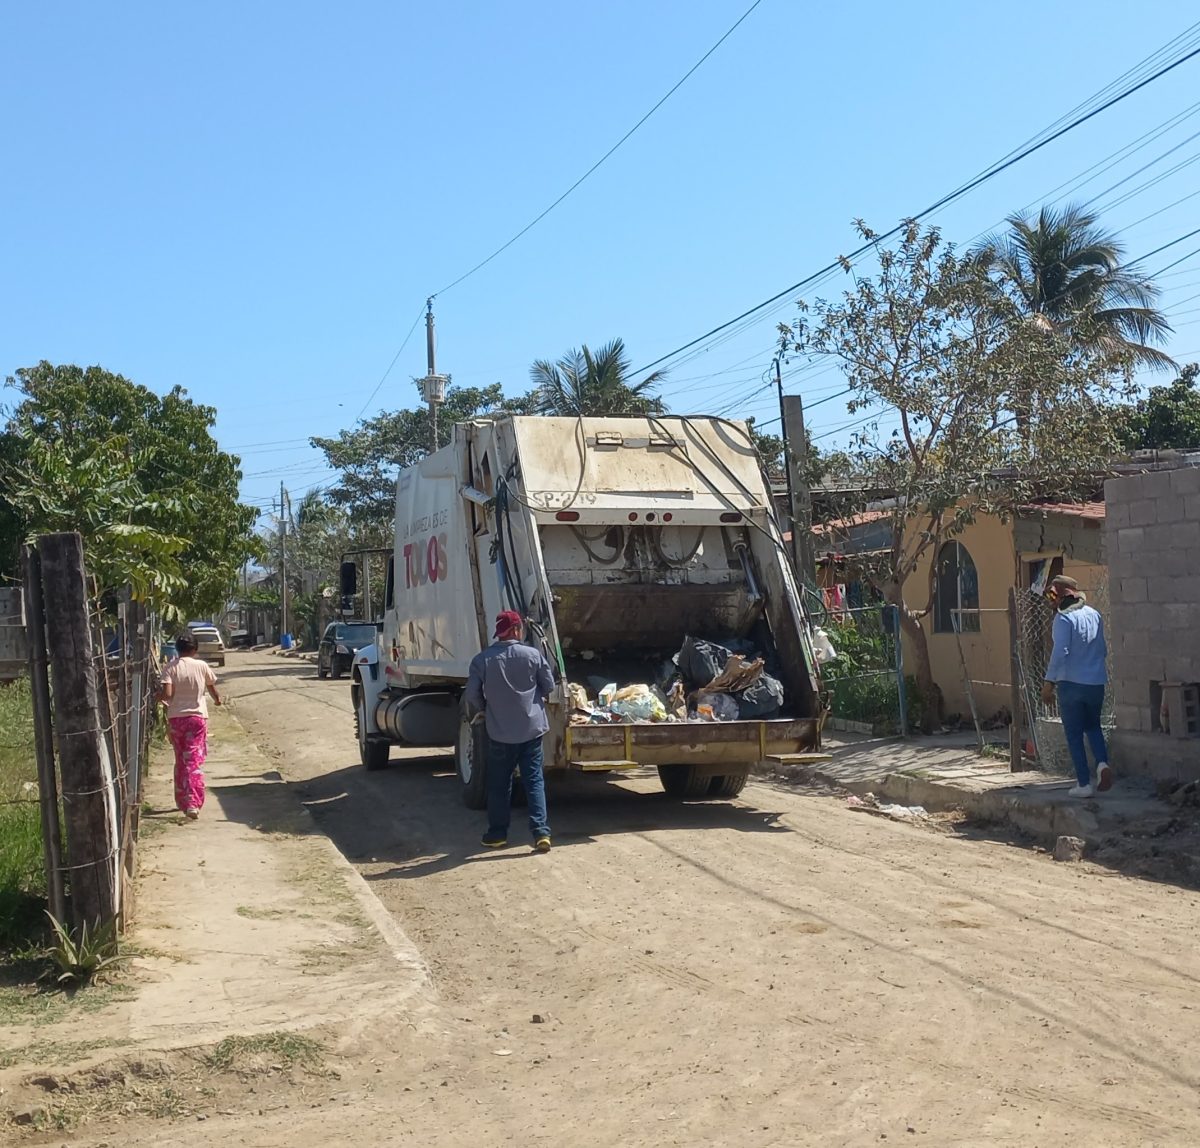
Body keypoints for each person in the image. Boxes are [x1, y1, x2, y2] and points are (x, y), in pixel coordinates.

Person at [465, 610, 554, 852]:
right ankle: (541, 834)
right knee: (533, 780)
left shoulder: (482, 660)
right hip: (531, 730)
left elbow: (472, 694)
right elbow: (549, 685)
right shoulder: (533, 655)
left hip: (500, 732)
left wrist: (485, 709)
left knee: (499, 784)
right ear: (516, 630)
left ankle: (497, 835)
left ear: (501, 632)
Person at [1041, 575, 1112, 798]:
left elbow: (1060, 652)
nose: (1051, 601)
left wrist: (1049, 683)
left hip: (1071, 684)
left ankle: (1083, 784)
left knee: (1073, 734)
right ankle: (1102, 764)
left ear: (1062, 596)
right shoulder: (1095, 615)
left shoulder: (1063, 619)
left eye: (1053, 596)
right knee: (1093, 727)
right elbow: (1103, 649)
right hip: (1096, 683)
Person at [159, 633, 222, 819]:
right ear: (195, 649)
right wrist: (217, 700)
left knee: (180, 759)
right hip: (197, 719)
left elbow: (167, 695)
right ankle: (193, 802)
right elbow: (212, 688)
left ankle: (182, 800)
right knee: (193, 761)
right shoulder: (202, 666)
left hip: (176, 719)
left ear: (177, 649)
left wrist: (158, 696)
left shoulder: (170, 667)